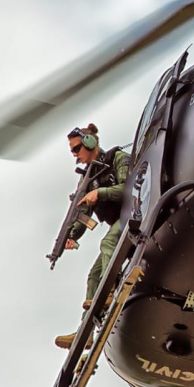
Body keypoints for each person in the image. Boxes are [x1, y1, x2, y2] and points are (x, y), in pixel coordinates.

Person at [54, 123, 130, 349]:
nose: (75, 155)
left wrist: (100, 193)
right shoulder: (87, 179)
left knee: (107, 243)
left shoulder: (117, 158)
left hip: (136, 212)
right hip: (119, 224)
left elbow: (129, 188)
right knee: (93, 275)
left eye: (77, 148)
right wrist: (73, 235)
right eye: (72, 151)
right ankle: (85, 332)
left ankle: (111, 290)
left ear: (90, 143)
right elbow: (83, 214)